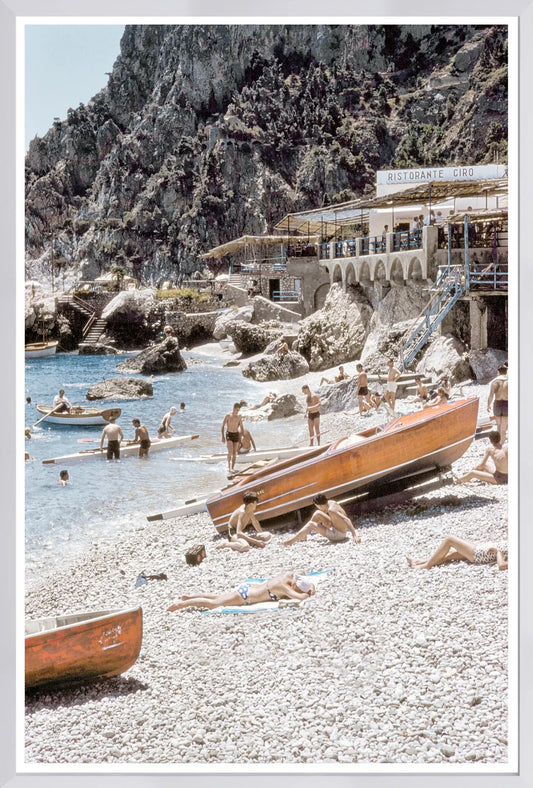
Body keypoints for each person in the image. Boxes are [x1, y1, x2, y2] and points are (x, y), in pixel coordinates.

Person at [167, 570, 315, 611]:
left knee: (218, 596)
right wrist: (308, 593)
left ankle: (188, 597)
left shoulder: (288, 575)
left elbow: (306, 582)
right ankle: (181, 604)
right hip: (245, 597)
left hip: (248, 589)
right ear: (294, 586)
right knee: (213, 604)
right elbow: (300, 597)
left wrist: (311, 587)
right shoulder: (284, 587)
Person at [284, 494, 360, 546]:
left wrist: (354, 535)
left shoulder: (331, 510)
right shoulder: (331, 502)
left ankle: (291, 541)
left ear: (320, 505)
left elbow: (346, 519)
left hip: (338, 535)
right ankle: (304, 535)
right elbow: (326, 514)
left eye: (317, 506)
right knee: (317, 513)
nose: (317, 507)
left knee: (311, 524)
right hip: (335, 527)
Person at [407, 535, 508, 570]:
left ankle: (427, 565)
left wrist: (498, 551)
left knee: (449, 539)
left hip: (478, 554)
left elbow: (502, 565)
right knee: (450, 554)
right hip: (480, 549)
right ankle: (420, 561)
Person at [221, 402, 244, 472]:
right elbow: (222, 426)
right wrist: (223, 437)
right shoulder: (228, 416)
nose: (237, 411)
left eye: (238, 410)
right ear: (233, 408)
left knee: (234, 453)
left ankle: (232, 467)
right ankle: (228, 466)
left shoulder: (239, 416)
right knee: (230, 451)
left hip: (236, 434)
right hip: (229, 434)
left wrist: (241, 436)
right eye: (237, 410)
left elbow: (241, 427)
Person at [487, 365, 508, 441]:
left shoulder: (495, 382)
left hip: (497, 405)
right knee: (504, 427)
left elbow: (491, 396)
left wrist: (488, 405)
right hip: (507, 404)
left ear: (498, 372)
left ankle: (499, 442)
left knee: (499, 425)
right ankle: (502, 441)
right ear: (506, 371)